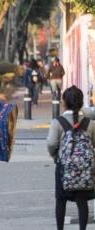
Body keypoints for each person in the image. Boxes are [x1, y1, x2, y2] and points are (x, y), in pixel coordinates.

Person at [47, 86, 95, 230]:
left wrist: (56, 156)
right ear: (81, 102)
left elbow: (51, 143)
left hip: (63, 167)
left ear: (64, 103)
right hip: (84, 170)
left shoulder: (58, 122)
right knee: (82, 201)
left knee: (61, 200)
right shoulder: (90, 124)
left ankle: (60, 228)